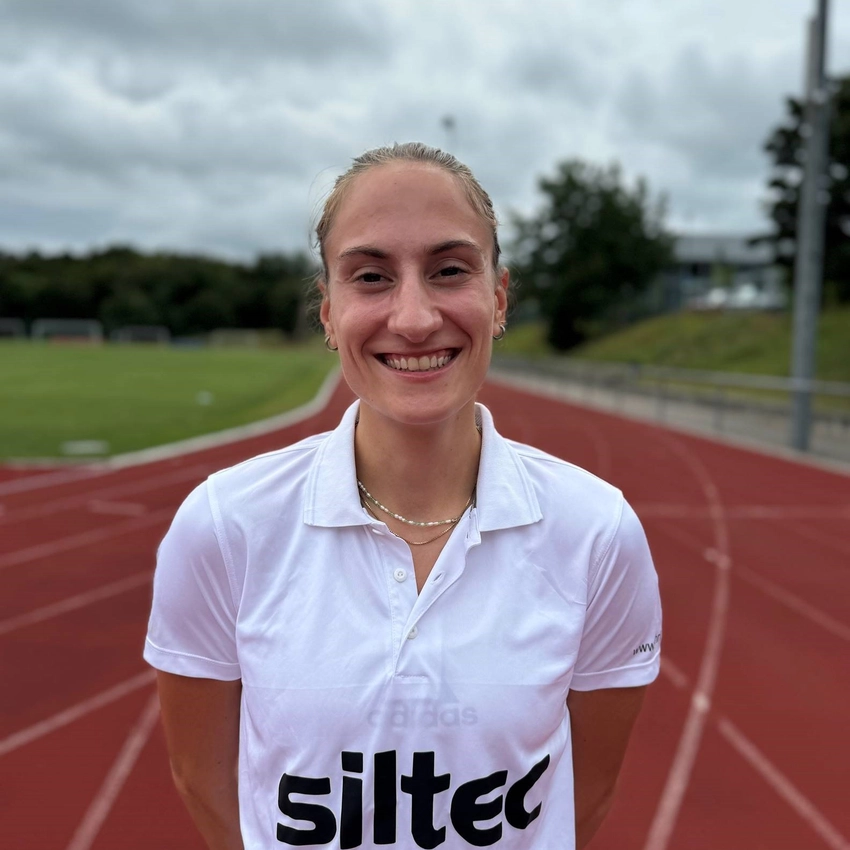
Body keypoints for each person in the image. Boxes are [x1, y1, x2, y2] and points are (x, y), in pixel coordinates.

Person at [144, 142, 662, 850]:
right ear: (329, 311)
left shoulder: (597, 533)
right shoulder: (224, 526)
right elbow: (202, 779)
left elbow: (584, 795)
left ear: (498, 298)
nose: (414, 318)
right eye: (371, 277)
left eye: (449, 270)